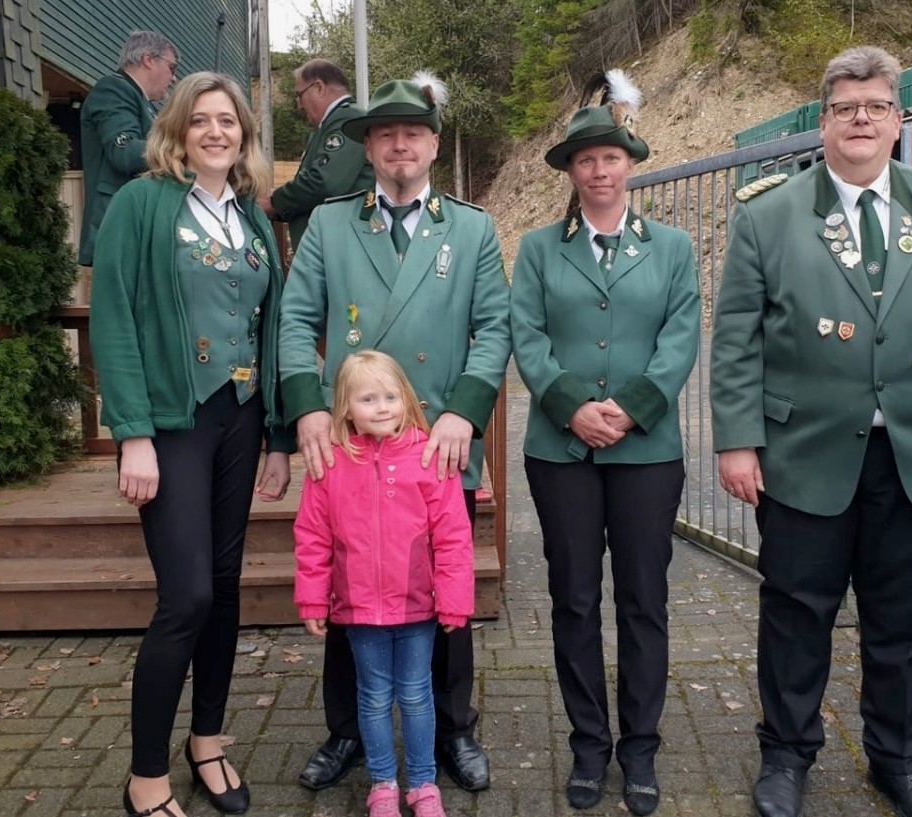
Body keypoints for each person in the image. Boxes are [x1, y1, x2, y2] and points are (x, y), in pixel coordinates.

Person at [710, 46, 912, 817]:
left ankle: (901, 760)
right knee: (794, 615)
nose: (861, 118)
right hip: (804, 455)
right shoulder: (768, 213)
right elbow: (737, 338)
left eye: (876, 106)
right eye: (846, 106)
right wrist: (737, 440)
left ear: (898, 119)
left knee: (908, 623)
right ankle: (785, 756)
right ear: (824, 122)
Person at [279, 71, 511, 794]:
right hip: (353, 442)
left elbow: (494, 326)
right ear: (370, 148)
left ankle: (451, 729)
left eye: (412, 133)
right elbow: (293, 320)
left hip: (436, 442)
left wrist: (463, 412)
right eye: (385, 135)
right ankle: (349, 728)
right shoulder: (330, 223)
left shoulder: (470, 227)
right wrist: (309, 407)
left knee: (445, 587)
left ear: (433, 145)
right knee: (355, 584)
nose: (400, 144)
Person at [90, 71, 295, 817]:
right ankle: (146, 775)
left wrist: (277, 435)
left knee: (226, 587)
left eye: (229, 121)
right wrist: (132, 435)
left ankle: (206, 740)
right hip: (172, 422)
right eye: (201, 119)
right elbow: (113, 320)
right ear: (176, 130)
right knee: (188, 596)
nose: (217, 131)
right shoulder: (140, 205)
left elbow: (269, 328)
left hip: (238, 418)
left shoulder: (249, 216)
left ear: (244, 134)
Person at [509, 70, 701, 817]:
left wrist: (629, 408)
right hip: (561, 453)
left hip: (646, 450)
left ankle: (641, 747)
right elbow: (526, 335)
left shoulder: (673, 247)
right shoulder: (536, 249)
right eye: (585, 160)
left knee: (644, 600)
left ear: (629, 165)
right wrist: (570, 407)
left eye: (610, 158)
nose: (598, 171)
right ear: (571, 170)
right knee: (574, 599)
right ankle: (590, 744)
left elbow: (681, 337)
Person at [295, 350, 474, 817]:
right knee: (372, 697)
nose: (382, 407)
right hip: (358, 609)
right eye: (368, 398)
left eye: (391, 396)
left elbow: (454, 535)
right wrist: (313, 597)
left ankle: (422, 783)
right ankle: (382, 784)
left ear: (406, 399)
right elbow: (313, 536)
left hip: (417, 607)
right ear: (345, 408)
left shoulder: (429, 457)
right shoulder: (330, 464)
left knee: (416, 694)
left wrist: (454, 600)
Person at [79, 30, 179, 268]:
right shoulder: (114, 89)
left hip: (133, 228)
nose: (174, 78)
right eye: (172, 68)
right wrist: (184, 150)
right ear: (148, 59)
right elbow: (124, 152)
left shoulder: (141, 101)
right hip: (119, 228)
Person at [257, 59, 374, 252]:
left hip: (341, 248)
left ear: (319, 87)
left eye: (299, 95)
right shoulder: (334, 123)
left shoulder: (348, 120)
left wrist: (275, 201)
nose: (299, 105)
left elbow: (325, 183)